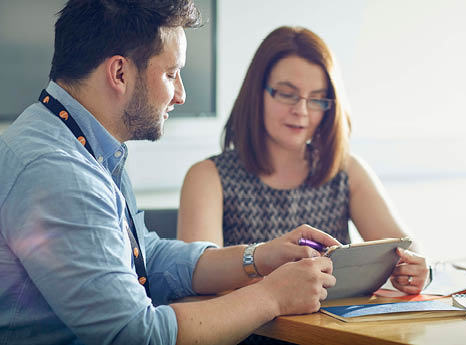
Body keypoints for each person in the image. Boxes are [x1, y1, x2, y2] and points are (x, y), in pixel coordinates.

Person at [0, 2, 340, 345]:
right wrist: (273, 296)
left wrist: (258, 257)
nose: (180, 94)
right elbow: (136, 336)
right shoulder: (59, 173)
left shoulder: (77, 141)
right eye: (170, 74)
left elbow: (147, 256)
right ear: (119, 73)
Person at [177, 26, 430, 295]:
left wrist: (419, 271)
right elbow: (198, 285)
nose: (301, 111)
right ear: (256, 93)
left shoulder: (346, 170)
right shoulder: (208, 177)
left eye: (317, 99)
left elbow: (407, 251)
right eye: (287, 94)